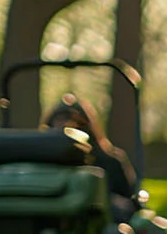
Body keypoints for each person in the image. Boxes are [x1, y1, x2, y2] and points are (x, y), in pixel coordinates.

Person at [42, 94, 140, 222]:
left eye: (73, 121)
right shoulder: (43, 163)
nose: (66, 125)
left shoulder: (110, 160)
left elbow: (128, 199)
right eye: (60, 121)